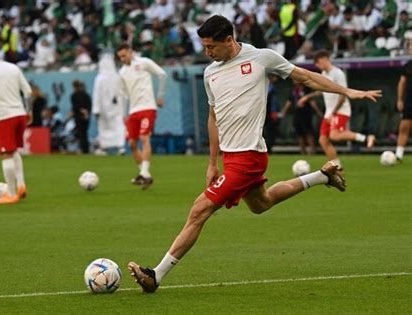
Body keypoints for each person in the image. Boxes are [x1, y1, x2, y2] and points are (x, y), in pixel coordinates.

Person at [127, 15, 382, 293]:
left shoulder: (262, 58)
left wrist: (347, 91)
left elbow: (306, 77)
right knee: (262, 203)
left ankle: (156, 276)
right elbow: (213, 117)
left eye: (211, 46)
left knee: (199, 210)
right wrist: (213, 162)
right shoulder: (209, 72)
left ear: (229, 40)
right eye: (204, 47)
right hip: (231, 157)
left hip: (248, 157)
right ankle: (322, 177)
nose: (207, 53)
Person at [298, 50, 376, 170]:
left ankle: (366, 138)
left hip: (340, 111)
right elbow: (322, 90)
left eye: (318, 63)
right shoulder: (324, 73)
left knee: (334, 136)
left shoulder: (338, 73)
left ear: (325, 59)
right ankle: (337, 168)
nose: (317, 66)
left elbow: (343, 95)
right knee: (323, 140)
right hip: (329, 112)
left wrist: (334, 112)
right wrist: (307, 97)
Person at [0, 48, 32, 204]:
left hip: (4, 116)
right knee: (13, 150)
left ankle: (10, 193)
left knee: (6, 153)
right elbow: (28, 92)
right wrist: (29, 111)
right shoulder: (13, 67)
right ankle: (21, 185)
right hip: (20, 114)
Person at [116, 43, 167, 189]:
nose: (123, 59)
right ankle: (145, 175)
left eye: (124, 55)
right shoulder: (122, 72)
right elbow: (122, 95)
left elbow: (162, 74)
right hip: (133, 111)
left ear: (131, 52)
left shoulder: (144, 62)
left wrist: (160, 96)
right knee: (132, 144)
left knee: (145, 138)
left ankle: (144, 173)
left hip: (148, 107)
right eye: (120, 57)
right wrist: (123, 114)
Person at [92, 53, 126, 156]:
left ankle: (104, 147)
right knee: (118, 126)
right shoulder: (118, 77)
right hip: (117, 107)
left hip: (103, 108)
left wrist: (96, 109)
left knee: (103, 127)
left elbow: (96, 95)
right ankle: (120, 147)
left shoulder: (99, 78)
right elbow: (123, 93)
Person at [280, 82, 323, 154]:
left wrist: (318, 112)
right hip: (296, 114)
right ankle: (303, 151)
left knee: (308, 131)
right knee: (299, 133)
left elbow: (312, 102)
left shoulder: (306, 89)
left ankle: (312, 150)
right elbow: (289, 102)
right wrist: (283, 112)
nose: (294, 80)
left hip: (305, 114)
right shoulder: (292, 90)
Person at [395, 60, 412, 162]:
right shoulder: (407, 65)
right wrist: (399, 100)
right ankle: (398, 155)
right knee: (404, 127)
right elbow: (402, 83)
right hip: (409, 100)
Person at [70, 80, 92, 154]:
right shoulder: (86, 95)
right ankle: (86, 149)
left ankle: (83, 149)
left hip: (78, 117)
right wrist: (86, 112)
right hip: (86, 117)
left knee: (81, 134)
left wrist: (78, 111)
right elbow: (89, 105)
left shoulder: (73, 96)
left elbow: (75, 107)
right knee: (85, 133)